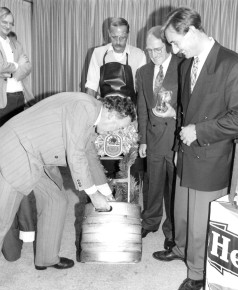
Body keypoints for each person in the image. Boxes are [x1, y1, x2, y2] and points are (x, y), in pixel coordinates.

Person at [152, 7, 238, 290]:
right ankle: (180, 249)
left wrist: (199, 133)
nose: (173, 49)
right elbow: (186, 110)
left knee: (199, 221)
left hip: (212, 153)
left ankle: (196, 273)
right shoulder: (185, 64)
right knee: (181, 212)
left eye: (175, 42)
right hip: (187, 149)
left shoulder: (233, 64)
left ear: (191, 31)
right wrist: (179, 134)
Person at [0, 92, 136, 270]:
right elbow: (76, 155)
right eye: (118, 126)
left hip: (37, 155)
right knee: (2, 220)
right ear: (110, 114)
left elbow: (90, 155)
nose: (116, 132)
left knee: (55, 200)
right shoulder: (84, 108)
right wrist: (93, 195)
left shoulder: (93, 115)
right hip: (16, 152)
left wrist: (107, 193)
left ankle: (47, 258)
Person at [137, 26, 183, 251]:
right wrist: (143, 139)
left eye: (157, 50)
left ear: (168, 45)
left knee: (174, 189)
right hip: (153, 138)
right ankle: (150, 221)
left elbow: (188, 106)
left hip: (175, 137)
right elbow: (143, 109)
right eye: (149, 51)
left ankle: (172, 231)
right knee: (152, 184)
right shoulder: (143, 72)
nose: (153, 55)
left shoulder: (182, 67)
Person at [85, 17, 146, 179]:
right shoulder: (98, 54)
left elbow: (142, 92)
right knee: (104, 164)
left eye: (123, 37)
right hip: (105, 118)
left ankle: (128, 201)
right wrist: (90, 119)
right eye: (114, 37)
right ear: (108, 34)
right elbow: (90, 88)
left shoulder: (138, 55)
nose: (118, 42)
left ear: (128, 34)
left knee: (128, 166)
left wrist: (139, 121)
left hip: (129, 119)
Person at [0, 8, 36, 261]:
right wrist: (15, 67)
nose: (8, 26)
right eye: (4, 22)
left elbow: (28, 66)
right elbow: (7, 66)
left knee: (19, 152)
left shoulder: (14, 41)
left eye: (11, 23)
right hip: (1, 102)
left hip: (18, 98)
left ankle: (26, 229)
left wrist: (12, 70)